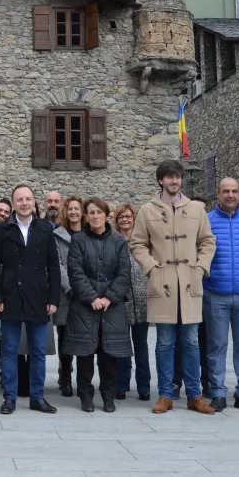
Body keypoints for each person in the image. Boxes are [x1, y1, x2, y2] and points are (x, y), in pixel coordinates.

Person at [128, 159, 217, 416]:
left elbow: (207, 242)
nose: (174, 181)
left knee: (191, 342)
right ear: (160, 180)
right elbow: (137, 244)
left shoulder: (196, 210)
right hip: (163, 284)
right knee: (164, 342)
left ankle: (194, 396)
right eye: (169, 177)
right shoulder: (147, 211)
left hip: (190, 283)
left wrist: (200, 268)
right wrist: (152, 268)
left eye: (177, 177)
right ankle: (165, 395)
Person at [0, 183, 60, 415]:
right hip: (10, 296)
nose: (24, 203)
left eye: (28, 199)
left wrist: (54, 297)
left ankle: (37, 397)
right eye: (19, 200)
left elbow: (53, 266)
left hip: (38, 296)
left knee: (38, 350)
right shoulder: (2, 230)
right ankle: (9, 398)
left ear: (34, 201)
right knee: (9, 350)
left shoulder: (44, 229)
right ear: (13, 203)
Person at [65, 197, 132, 413]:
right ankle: (85, 395)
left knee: (108, 354)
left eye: (98, 212)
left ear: (106, 215)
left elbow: (123, 273)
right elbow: (75, 272)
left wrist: (109, 297)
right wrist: (92, 297)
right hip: (85, 306)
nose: (95, 216)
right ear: (86, 215)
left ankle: (108, 395)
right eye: (91, 213)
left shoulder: (119, 241)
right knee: (84, 353)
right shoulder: (78, 241)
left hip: (112, 307)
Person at [203, 178, 239, 413]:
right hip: (215, 294)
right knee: (216, 345)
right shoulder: (206, 221)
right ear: (217, 194)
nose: (230, 195)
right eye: (225, 191)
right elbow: (201, 253)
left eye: (234, 191)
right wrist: (206, 280)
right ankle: (217, 392)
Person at [113, 203, 150, 402]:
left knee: (141, 345)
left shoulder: (143, 241)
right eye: (121, 217)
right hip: (121, 301)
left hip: (142, 300)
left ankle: (144, 386)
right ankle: (121, 383)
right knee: (122, 346)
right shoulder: (114, 241)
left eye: (128, 216)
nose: (125, 220)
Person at [52, 195, 84, 397]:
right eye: (70, 209)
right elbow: (58, 265)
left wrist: (87, 289)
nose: (73, 212)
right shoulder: (57, 235)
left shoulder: (90, 234)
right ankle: (65, 378)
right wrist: (72, 287)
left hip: (87, 295)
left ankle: (83, 380)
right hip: (67, 295)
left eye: (77, 208)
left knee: (84, 340)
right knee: (65, 340)